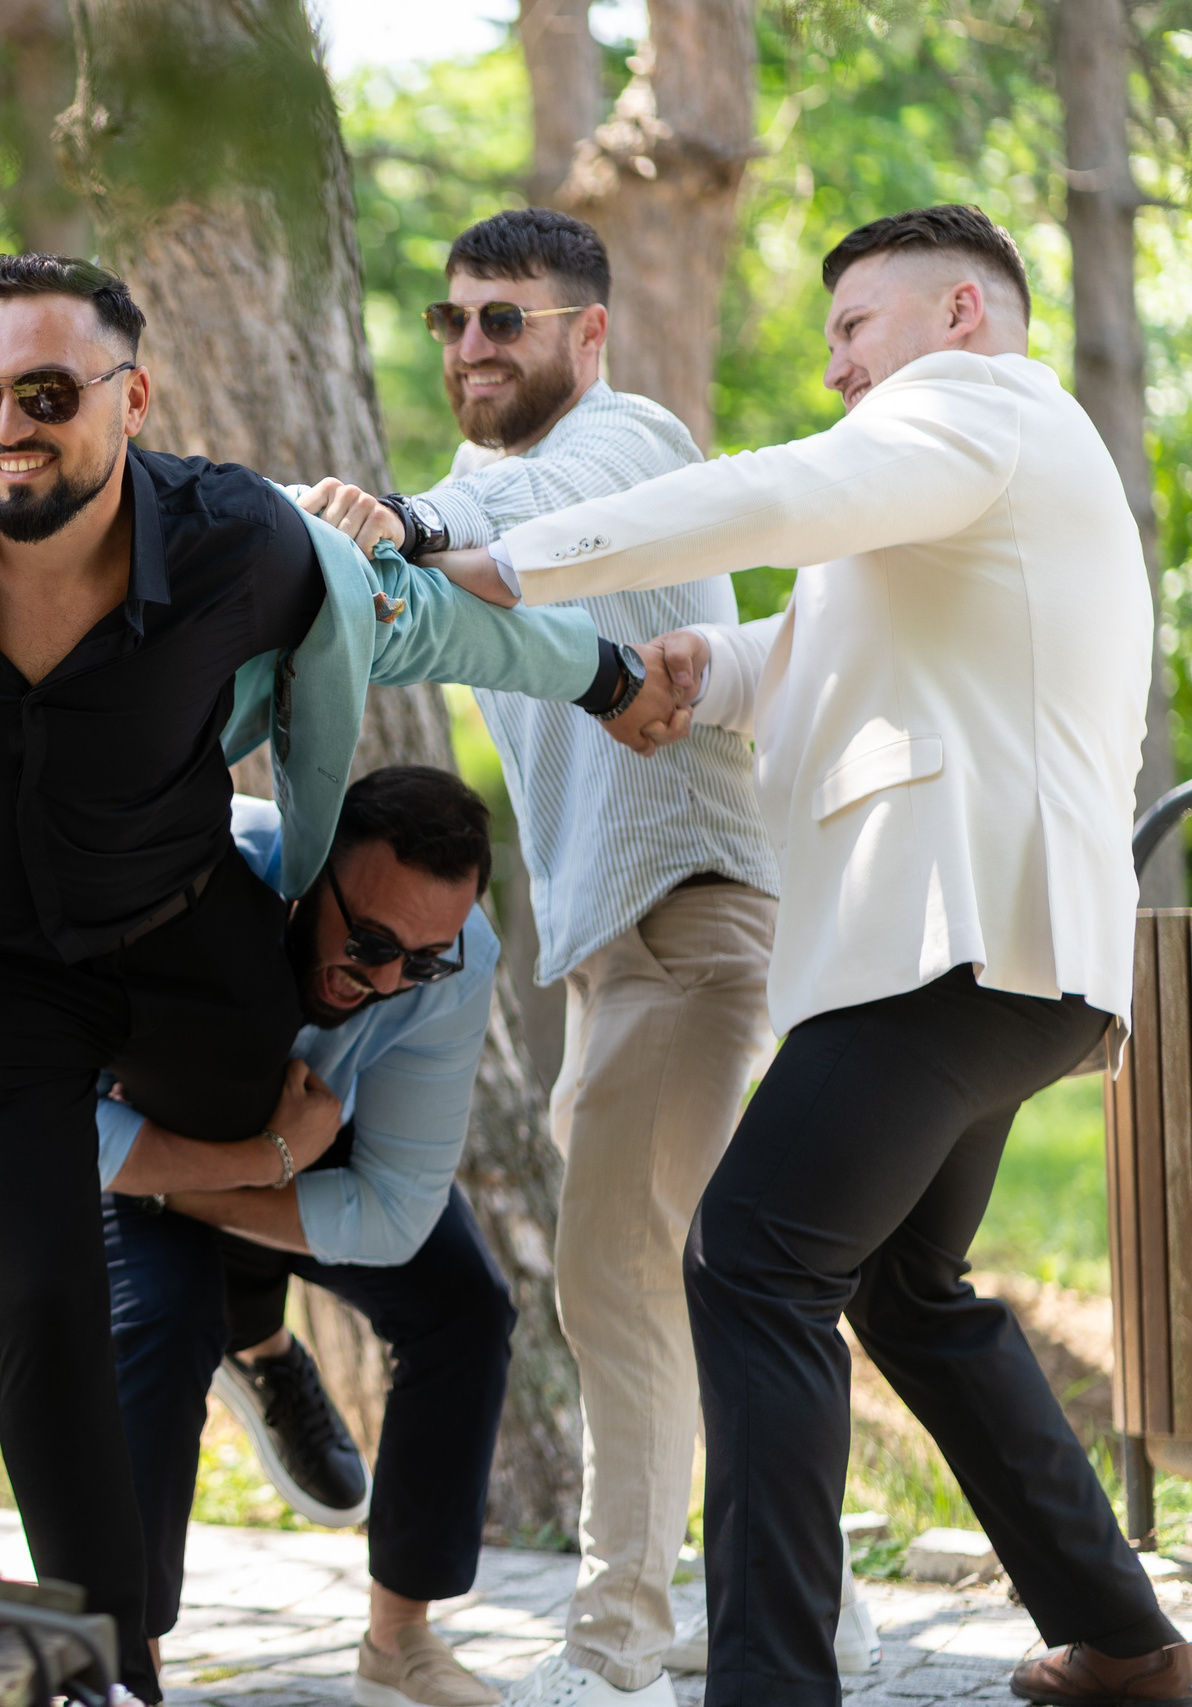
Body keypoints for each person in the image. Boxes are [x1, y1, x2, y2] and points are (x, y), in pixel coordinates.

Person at [0, 253, 689, 1704]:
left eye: (48, 391)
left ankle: (252, 1326)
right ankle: (107, 1666)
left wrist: (605, 679)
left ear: (132, 394)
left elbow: (421, 616)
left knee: (261, 1089)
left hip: (180, 930)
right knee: (45, 1294)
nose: (8, 427)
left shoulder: (241, 540)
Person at [440, 205, 1188, 1706]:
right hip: (1010, 957)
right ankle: (1125, 1638)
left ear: (961, 313)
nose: (839, 366)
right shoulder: (971, 483)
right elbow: (822, 646)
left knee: (751, 1255)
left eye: (855, 327)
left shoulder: (972, 406)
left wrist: (508, 557)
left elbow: (783, 498)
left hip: (957, 942)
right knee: (907, 1287)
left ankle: (772, 1679)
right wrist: (700, 665)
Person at [299, 210, 865, 1707]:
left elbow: (538, 523)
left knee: (618, 1273)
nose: (473, 343)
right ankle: (827, 1609)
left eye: (509, 318)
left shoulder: (632, 437)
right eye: (455, 318)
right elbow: (417, 576)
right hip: (614, 941)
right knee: (695, 1276)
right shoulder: (471, 493)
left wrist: (400, 525)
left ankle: (613, 1650)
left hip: (695, 901)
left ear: (587, 333)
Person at [103, 769, 518, 1707]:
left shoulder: (453, 962)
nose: (386, 980)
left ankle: (399, 1640)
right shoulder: (185, 873)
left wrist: (269, 1162)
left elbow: (399, 1206)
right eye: (369, 942)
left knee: (466, 1306)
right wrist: (259, 1158)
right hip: (135, 1145)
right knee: (161, 1330)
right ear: (309, 867)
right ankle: (128, 1665)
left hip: (300, 1139)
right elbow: (61, 1135)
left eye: (421, 959)